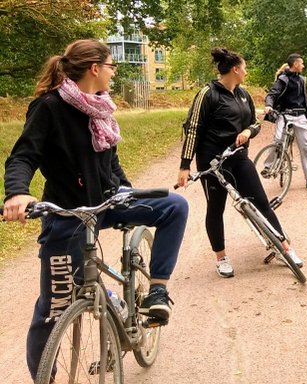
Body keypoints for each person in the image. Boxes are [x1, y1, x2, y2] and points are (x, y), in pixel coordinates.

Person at [1, 39, 189, 380]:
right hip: (67, 213)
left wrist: (127, 191)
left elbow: (110, 160)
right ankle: (46, 378)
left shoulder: (101, 107)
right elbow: (23, 156)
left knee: (175, 206)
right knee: (53, 310)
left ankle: (157, 289)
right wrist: (17, 192)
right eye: (111, 66)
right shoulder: (49, 107)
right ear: (95, 69)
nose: (114, 73)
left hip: (109, 200)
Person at [177, 47, 303, 278]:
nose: (246, 72)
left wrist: (247, 131)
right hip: (212, 162)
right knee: (215, 208)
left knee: (262, 202)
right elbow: (193, 129)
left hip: (238, 157)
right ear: (235, 69)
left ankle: (285, 246)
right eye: (244, 68)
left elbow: (255, 124)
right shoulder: (208, 93)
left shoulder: (243, 94)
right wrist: (185, 165)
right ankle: (221, 258)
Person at [263, 53, 307, 190]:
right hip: (285, 115)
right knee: (278, 140)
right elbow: (272, 94)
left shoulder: (302, 80)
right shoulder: (283, 79)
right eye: (301, 63)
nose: (303, 65)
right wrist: (268, 105)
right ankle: (268, 166)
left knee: (306, 147)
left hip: (300, 116)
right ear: (295, 64)